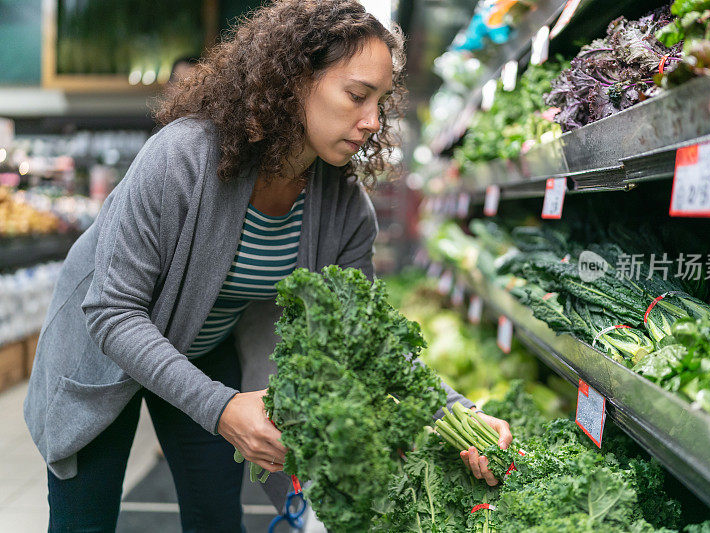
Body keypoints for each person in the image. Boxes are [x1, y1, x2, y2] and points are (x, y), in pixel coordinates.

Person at [23, 1, 513, 531]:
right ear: (295, 82)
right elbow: (114, 310)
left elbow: (366, 340)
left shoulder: (344, 207)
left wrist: (460, 414)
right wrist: (222, 409)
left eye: (380, 101)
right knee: (83, 525)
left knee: (216, 519)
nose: (372, 122)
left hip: (203, 350)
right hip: (101, 353)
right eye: (356, 96)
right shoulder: (184, 156)